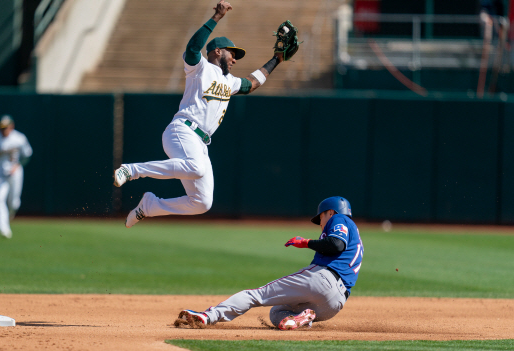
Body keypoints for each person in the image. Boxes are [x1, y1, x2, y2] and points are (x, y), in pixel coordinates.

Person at [113, 0, 290, 228]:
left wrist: (277, 59)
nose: (235, 59)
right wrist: (216, 17)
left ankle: (149, 206)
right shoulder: (200, 68)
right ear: (217, 51)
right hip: (182, 130)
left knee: (202, 202)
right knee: (196, 167)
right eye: (232, 53)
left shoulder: (230, 81)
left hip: (200, 142)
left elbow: (253, 83)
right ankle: (132, 170)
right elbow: (193, 48)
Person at [177, 197, 363, 330]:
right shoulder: (356, 239)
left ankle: (208, 316)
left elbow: (336, 244)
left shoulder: (340, 218)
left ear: (330, 211)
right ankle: (298, 320)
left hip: (323, 279)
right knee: (277, 312)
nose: (320, 223)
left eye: (321, 218)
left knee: (255, 295)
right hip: (335, 304)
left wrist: (305, 242)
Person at [0, 115, 33, 239]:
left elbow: (27, 155)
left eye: (6, 128)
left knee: (14, 203)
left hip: (15, 173)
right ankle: (4, 229)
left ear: (12, 126)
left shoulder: (19, 138)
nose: (4, 130)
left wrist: (18, 165)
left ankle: (10, 215)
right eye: (2, 128)